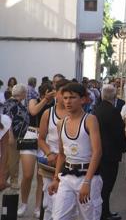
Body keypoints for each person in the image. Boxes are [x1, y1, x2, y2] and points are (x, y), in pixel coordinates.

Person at [48, 82, 102, 220]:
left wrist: (87, 182)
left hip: (88, 176)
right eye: (65, 98)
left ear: (83, 100)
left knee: (89, 217)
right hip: (67, 176)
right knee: (58, 217)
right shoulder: (61, 123)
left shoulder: (90, 120)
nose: (68, 101)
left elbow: (97, 152)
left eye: (72, 97)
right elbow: (61, 154)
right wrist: (55, 178)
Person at [95, 85, 126, 220]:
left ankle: (105, 211)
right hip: (110, 155)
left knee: (101, 185)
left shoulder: (96, 110)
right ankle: (103, 214)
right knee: (107, 186)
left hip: (98, 153)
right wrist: (125, 147)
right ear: (114, 97)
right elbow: (118, 133)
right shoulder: (114, 112)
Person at [22, 82, 55, 217]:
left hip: (45, 139)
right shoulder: (33, 100)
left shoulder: (54, 105)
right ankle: (23, 203)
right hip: (30, 135)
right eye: (51, 92)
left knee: (41, 176)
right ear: (44, 92)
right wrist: (45, 100)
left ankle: (38, 206)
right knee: (27, 175)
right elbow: (33, 111)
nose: (53, 94)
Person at [38, 79, 69, 220]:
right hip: (50, 162)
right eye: (61, 93)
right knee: (49, 202)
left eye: (67, 94)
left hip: (69, 163)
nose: (63, 97)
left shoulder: (75, 115)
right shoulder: (47, 114)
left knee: (64, 202)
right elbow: (41, 138)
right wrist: (49, 153)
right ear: (56, 94)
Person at [3, 84, 30, 192]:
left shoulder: (16, 103)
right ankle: (13, 181)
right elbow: (7, 120)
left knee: (11, 161)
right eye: (25, 93)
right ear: (22, 94)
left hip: (18, 136)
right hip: (12, 136)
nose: (26, 95)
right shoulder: (11, 104)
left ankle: (4, 180)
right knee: (12, 160)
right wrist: (10, 136)